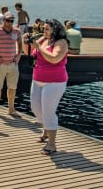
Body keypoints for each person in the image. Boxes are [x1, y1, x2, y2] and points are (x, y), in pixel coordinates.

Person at [28, 18, 69, 155]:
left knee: (48, 111)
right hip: (37, 79)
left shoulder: (61, 43)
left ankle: (51, 144)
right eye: (43, 28)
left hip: (54, 82)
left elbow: (54, 58)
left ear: (55, 30)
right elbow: (29, 52)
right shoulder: (43, 40)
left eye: (46, 29)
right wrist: (25, 42)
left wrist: (39, 47)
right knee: (35, 107)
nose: (43, 31)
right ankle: (46, 131)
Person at [0, 11, 23, 118]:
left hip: (13, 64)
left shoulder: (17, 31)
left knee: (12, 87)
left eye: (12, 20)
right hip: (0, 64)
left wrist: (19, 55)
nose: (10, 22)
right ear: (3, 20)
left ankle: (11, 109)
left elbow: (20, 43)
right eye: (8, 20)